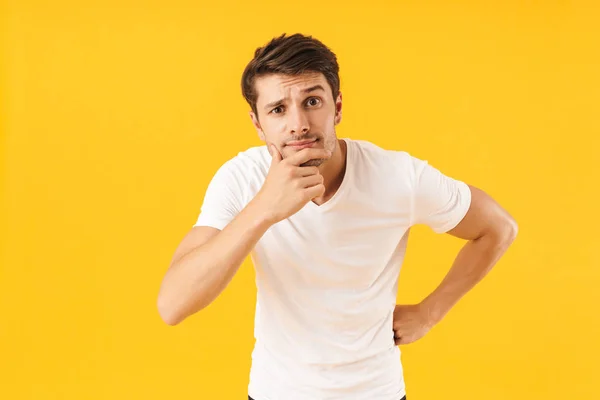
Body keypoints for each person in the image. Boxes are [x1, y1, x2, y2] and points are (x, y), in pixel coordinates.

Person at [157, 33, 518, 400]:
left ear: (338, 106)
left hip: (376, 392)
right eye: (278, 109)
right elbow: (172, 305)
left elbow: (498, 228)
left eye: (312, 101)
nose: (298, 124)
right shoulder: (241, 178)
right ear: (257, 123)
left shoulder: (398, 176)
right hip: (275, 391)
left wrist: (430, 312)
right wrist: (264, 209)